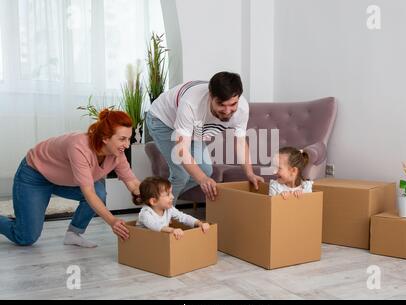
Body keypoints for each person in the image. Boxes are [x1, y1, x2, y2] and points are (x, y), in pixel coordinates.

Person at [0, 110, 141, 247]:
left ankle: (73, 234)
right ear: (105, 138)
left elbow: (133, 183)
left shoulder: (117, 154)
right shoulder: (79, 147)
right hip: (35, 176)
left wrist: (155, 199)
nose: (127, 145)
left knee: (100, 192)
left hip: (64, 179)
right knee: (25, 237)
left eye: (128, 138)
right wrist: (112, 221)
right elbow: (88, 193)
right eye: (122, 139)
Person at [146, 71, 264, 202]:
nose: (227, 111)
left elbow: (241, 143)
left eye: (232, 104)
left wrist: (250, 173)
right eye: (221, 105)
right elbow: (181, 151)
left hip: (196, 126)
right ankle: (160, 212)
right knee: (181, 175)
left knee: (206, 171)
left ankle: (161, 198)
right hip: (163, 120)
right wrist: (201, 180)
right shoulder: (191, 105)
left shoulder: (242, 108)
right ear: (210, 96)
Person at [132, 177, 210, 240]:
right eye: (168, 194)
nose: (172, 197)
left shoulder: (169, 209)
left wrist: (199, 223)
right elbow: (155, 226)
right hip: (146, 242)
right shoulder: (145, 213)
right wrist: (172, 230)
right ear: (154, 201)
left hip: (159, 241)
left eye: (171, 193)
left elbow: (183, 217)